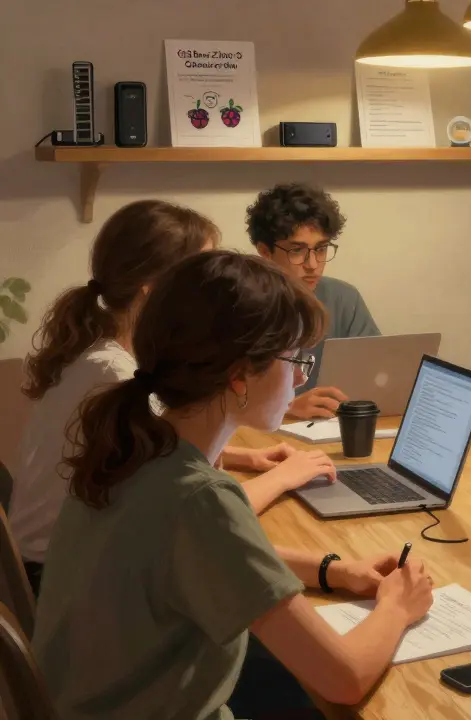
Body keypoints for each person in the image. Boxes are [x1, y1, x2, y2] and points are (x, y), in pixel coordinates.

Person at [33, 250, 435, 719]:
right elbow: (344, 678)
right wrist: (398, 607)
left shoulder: (134, 445)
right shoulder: (198, 497)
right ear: (239, 376)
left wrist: (332, 570)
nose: (302, 376)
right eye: (295, 359)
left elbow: (199, 556)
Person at [12, 200, 335, 597]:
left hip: (64, 567)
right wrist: (284, 477)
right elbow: (200, 514)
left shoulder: (104, 353)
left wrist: (243, 457)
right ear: (161, 292)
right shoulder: (119, 377)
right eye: (202, 276)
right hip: (59, 581)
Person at [247, 182, 379, 419]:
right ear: (265, 252)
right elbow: (218, 402)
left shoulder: (344, 298)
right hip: (262, 437)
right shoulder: (240, 303)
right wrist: (286, 408)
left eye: (321, 249)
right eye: (297, 250)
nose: (313, 264)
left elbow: (377, 374)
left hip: (333, 429)